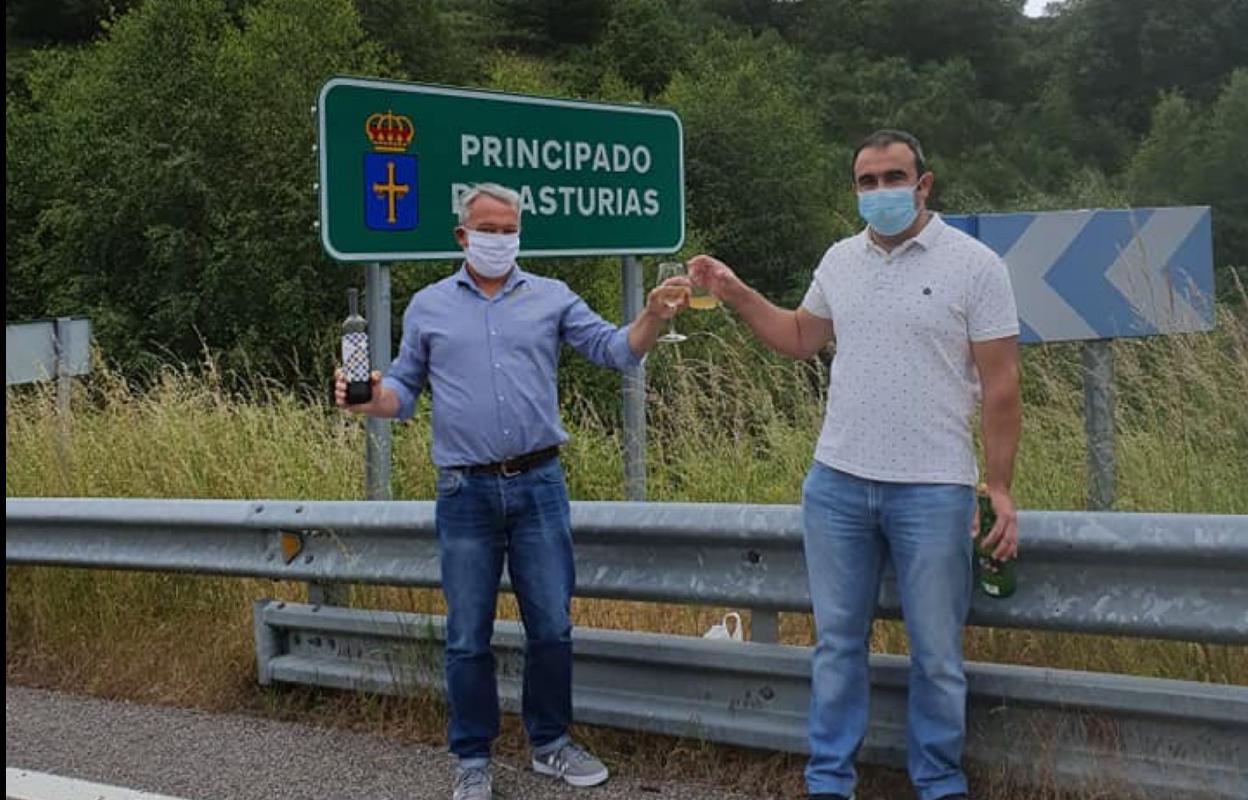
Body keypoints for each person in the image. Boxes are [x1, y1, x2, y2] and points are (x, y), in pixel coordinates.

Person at [689, 130, 1022, 800]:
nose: (879, 192)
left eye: (892, 178)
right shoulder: (839, 260)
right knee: (837, 647)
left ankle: (939, 782)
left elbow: (1003, 384)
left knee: (937, 655)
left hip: (933, 489)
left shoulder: (977, 265)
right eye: (866, 182)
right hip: (837, 483)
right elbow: (800, 338)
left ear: (923, 185)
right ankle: (829, 782)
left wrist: (1000, 486)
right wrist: (736, 292)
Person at [335, 182, 688, 800]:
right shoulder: (428, 306)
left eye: (509, 228)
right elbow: (401, 394)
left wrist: (654, 315)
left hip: (539, 484)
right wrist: (364, 399)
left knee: (551, 626)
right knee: (468, 633)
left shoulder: (551, 297)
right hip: (465, 490)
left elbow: (616, 350)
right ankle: (472, 760)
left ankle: (550, 744)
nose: (500, 239)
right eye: (488, 229)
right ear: (462, 236)